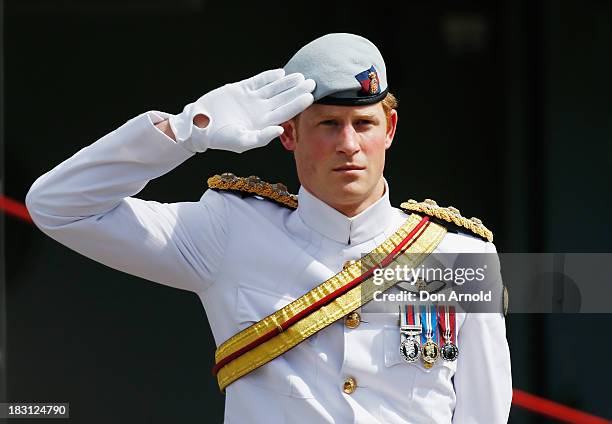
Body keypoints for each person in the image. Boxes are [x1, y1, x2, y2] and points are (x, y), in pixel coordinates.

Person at [25, 33, 512, 423]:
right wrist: (186, 130)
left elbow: (483, 413)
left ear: (389, 130)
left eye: (363, 124)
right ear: (289, 133)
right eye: (327, 124)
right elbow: (58, 207)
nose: (348, 144)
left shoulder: (459, 256)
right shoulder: (228, 230)